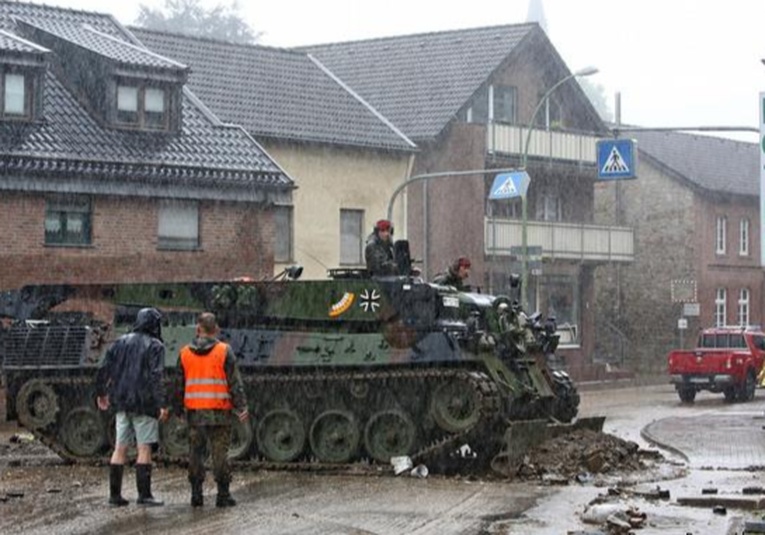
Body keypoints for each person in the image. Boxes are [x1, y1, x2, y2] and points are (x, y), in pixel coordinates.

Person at [95, 307, 168, 507]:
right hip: (144, 403)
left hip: (121, 401)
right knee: (144, 449)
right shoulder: (155, 345)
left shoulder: (120, 341)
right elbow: (156, 376)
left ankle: (115, 496)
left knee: (120, 448)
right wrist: (161, 403)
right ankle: (144, 496)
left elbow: (104, 368)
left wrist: (101, 392)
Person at [178, 312, 249, 508]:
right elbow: (235, 383)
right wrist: (241, 405)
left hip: (195, 414)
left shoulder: (184, 353)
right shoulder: (224, 351)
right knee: (220, 456)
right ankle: (223, 496)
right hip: (219, 414)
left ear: (198, 329)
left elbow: (178, 385)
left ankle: (196, 495)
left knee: (195, 454)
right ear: (216, 329)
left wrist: (175, 408)